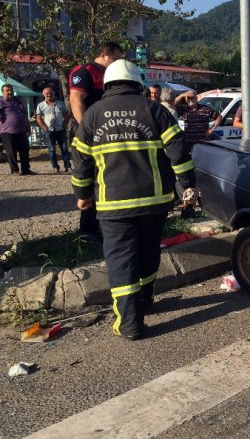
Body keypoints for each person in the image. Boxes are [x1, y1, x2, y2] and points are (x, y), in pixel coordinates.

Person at [71, 60, 197, 340]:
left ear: (107, 84)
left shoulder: (93, 114)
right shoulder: (155, 111)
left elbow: (80, 160)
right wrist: (188, 187)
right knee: (148, 251)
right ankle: (146, 300)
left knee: (121, 260)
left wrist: (82, 195)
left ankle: (129, 322)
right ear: (137, 83)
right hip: (155, 202)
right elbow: (179, 152)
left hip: (114, 205)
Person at [68, 41, 125, 241]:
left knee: (107, 179)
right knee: (90, 180)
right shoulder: (85, 72)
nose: (118, 63)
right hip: (91, 135)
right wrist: (87, 131)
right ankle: (87, 230)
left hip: (107, 135)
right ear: (103, 54)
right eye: (115, 59)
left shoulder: (112, 75)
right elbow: (76, 100)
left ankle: (106, 226)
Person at [35, 87, 71, 172]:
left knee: (65, 149)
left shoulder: (60, 104)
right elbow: (38, 118)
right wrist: (44, 128)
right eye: (47, 93)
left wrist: (65, 125)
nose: (49, 95)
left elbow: (66, 115)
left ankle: (67, 166)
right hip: (49, 131)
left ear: (54, 93)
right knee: (51, 149)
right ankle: (55, 166)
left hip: (60, 130)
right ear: (44, 95)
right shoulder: (41, 105)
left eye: (50, 93)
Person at [0, 84, 33, 175]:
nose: (10, 92)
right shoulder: (1, 101)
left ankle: (26, 170)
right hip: (7, 131)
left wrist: (28, 126)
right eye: (7, 91)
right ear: (3, 92)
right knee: (11, 151)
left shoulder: (18, 101)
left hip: (21, 130)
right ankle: (14, 170)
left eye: (11, 90)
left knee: (25, 150)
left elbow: (24, 115)